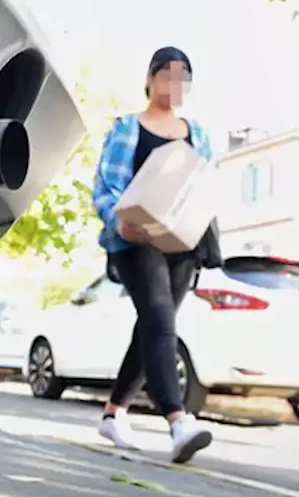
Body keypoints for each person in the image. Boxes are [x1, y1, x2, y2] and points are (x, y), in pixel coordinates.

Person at [90, 46, 215, 463]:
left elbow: (202, 187)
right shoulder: (128, 127)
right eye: (168, 76)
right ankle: (179, 421)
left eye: (184, 78)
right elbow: (106, 186)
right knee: (161, 319)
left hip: (181, 245)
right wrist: (117, 219)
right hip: (133, 240)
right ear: (150, 78)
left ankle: (114, 412)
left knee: (153, 325)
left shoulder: (197, 134)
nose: (175, 86)